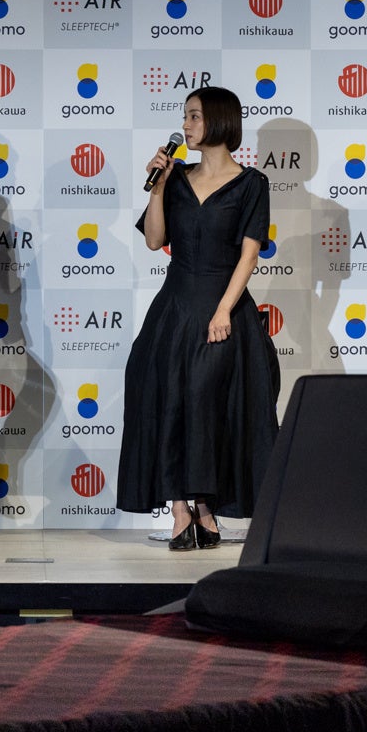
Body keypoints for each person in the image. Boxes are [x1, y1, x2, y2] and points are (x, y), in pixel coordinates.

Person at [117, 86, 280, 551]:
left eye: (194, 116)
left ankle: (206, 507)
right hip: (175, 305)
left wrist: (224, 309)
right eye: (185, 116)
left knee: (210, 405)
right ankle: (179, 509)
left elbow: (249, 254)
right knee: (166, 399)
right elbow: (155, 241)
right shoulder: (176, 177)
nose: (185, 125)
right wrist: (159, 186)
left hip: (224, 305)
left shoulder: (252, 184)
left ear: (220, 121)